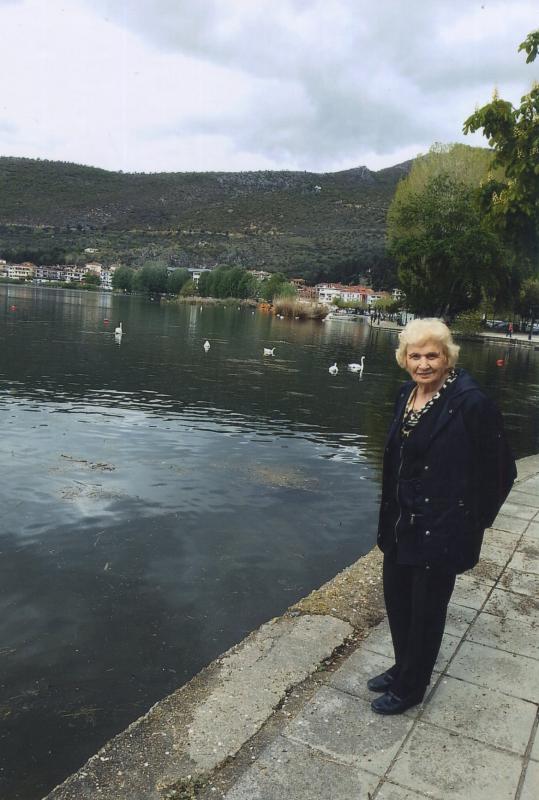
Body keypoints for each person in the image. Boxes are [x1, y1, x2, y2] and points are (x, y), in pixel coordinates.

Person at [369, 318, 516, 715]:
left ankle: (411, 688)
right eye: (415, 356)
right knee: (398, 601)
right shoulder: (406, 394)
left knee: (426, 612)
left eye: (432, 355)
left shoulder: (471, 403)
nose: (423, 364)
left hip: (441, 530)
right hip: (401, 524)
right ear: (404, 359)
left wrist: (469, 521)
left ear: (447, 357)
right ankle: (402, 667)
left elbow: (502, 473)